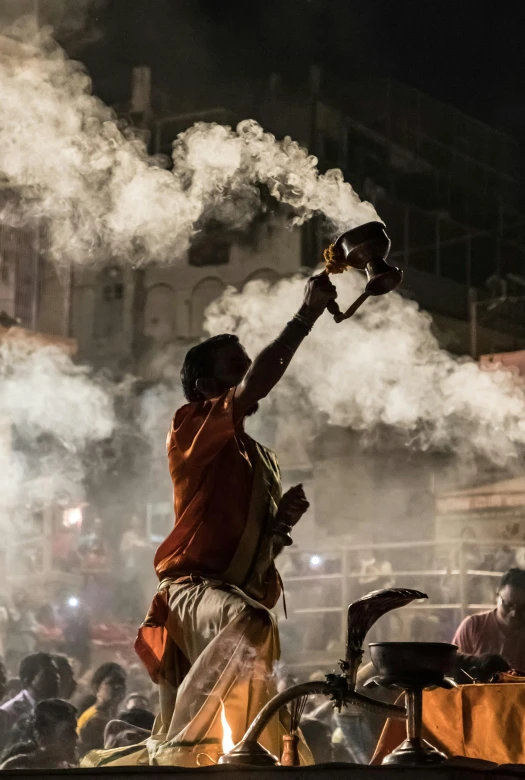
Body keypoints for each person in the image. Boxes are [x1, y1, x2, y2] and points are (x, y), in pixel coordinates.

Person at [81, 274, 336, 768]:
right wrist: (305, 317)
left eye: (246, 367)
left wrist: (280, 524)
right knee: (251, 619)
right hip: (193, 593)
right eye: (236, 369)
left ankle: (206, 750)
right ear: (205, 387)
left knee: (259, 719)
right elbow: (261, 381)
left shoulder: (260, 457)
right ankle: (183, 747)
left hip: (230, 597)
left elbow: (261, 555)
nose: (247, 375)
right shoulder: (191, 423)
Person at [453, 568, 525, 670]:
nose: (514, 614)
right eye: (508, 605)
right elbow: (452, 665)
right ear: (497, 596)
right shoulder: (473, 627)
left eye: (523, 608)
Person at [0, 653, 59, 748]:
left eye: (56, 676)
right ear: (27, 681)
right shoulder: (9, 713)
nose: (56, 682)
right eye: (48, 676)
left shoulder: (55, 709)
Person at [0, 699, 78, 769]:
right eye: (68, 731)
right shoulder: (18, 770)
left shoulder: (68, 769)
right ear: (43, 737)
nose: (76, 736)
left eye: (74, 729)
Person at [77, 662, 127, 756]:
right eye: (111, 683)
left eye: (121, 682)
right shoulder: (95, 720)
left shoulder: (109, 715)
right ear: (96, 688)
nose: (118, 686)